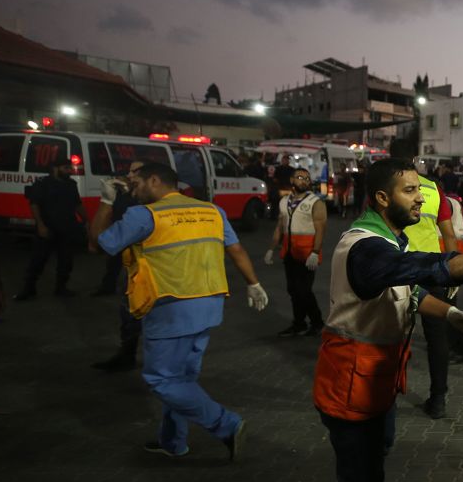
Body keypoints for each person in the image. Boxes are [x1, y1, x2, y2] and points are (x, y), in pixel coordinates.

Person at [312, 157, 463, 482]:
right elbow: (425, 270)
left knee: (379, 451)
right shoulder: (364, 246)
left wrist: (452, 315)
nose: (421, 198)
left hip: (376, 379)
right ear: (381, 198)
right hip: (350, 382)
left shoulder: (385, 239)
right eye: (410, 191)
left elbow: (410, 293)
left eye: (419, 189)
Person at [96, 162, 268, 459]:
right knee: (182, 380)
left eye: (136, 183)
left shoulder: (144, 215)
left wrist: (107, 201)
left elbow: (100, 241)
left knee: (161, 379)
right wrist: (253, 283)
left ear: (154, 180)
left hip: (170, 307)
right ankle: (172, 442)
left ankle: (226, 424)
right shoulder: (211, 211)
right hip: (209, 306)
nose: (132, 190)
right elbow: (236, 249)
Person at [403, 171, 460, 420]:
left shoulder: (386, 184)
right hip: (430, 269)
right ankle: (438, 399)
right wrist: (453, 272)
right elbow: (448, 234)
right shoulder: (433, 189)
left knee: (393, 334)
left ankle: (383, 394)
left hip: (398, 268)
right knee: (437, 338)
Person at [89, 161, 146, 371]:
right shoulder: (124, 195)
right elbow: (98, 239)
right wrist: (108, 201)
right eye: (129, 170)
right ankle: (127, 354)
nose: (129, 175)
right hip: (128, 260)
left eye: (135, 172)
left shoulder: (152, 204)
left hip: (153, 271)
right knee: (129, 313)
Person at [264, 168, 326, 337]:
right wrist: (271, 249)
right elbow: (279, 227)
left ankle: (318, 323)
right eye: (300, 177)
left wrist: (315, 252)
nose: (304, 181)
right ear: (292, 180)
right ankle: (298, 324)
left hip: (307, 254)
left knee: (304, 290)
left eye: (307, 178)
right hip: (289, 252)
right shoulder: (284, 201)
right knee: (293, 290)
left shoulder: (316, 202)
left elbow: (320, 229)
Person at [16, 158, 86, 301]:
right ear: (55, 168)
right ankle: (28, 289)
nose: (70, 171)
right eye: (66, 168)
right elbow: (34, 204)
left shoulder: (71, 184)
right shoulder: (43, 184)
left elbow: (77, 204)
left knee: (66, 261)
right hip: (48, 227)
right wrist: (40, 225)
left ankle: (61, 288)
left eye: (69, 168)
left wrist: (87, 220)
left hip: (67, 228)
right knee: (38, 260)